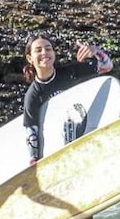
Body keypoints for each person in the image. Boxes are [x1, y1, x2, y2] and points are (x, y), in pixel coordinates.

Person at [22, 34, 114, 165]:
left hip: (84, 138)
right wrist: (34, 160)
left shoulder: (70, 73)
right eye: (38, 50)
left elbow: (107, 66)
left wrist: (95, 51)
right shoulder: (33, 95)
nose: (44, 53)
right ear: (30, 58)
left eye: (48, 49)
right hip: (59, 153)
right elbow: (32, 131)